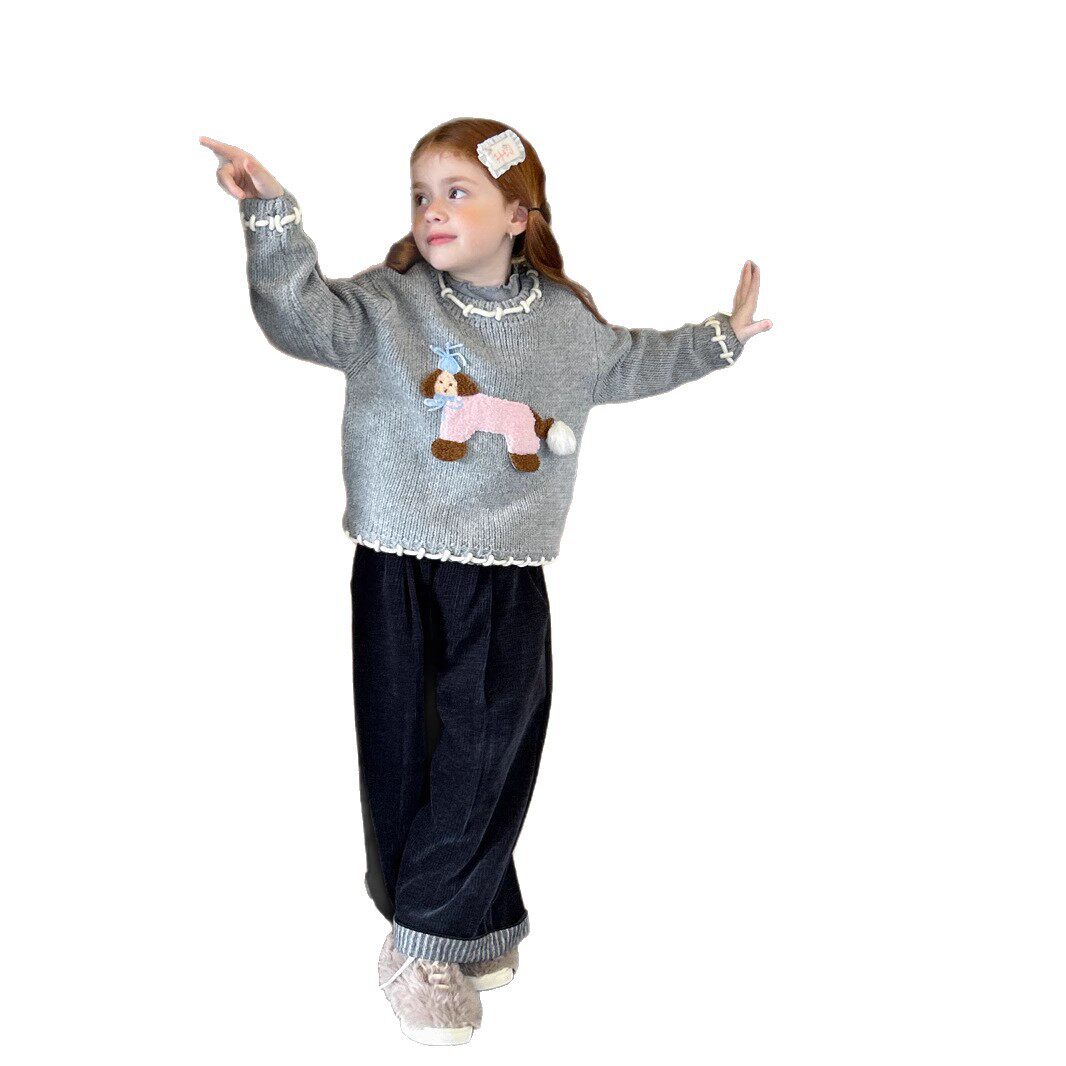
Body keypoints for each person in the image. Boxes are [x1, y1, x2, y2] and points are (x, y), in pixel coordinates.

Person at [199, 119, 771, 1045]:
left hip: (503, 573)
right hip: (395, 563)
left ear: (518, 215)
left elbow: (634, 360)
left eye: (457, 192)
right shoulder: (386, 306)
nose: (432, 210)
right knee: (409, 748)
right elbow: (296, 315)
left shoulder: (562, 324)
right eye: (420, 194)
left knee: (490, 748)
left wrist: (722, 338)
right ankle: (426, 938)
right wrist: (271, 216)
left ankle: (467, 918)